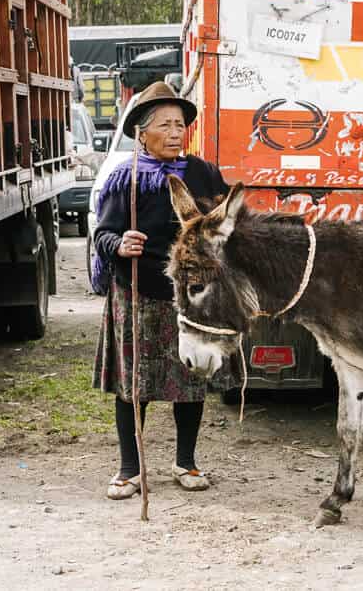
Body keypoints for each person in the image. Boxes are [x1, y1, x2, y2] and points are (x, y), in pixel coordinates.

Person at [93, 81, 240, 500]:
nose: (177, 132)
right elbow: (102, 234)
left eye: (181, 124)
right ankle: (129, 468)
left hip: (189, 298)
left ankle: (186, 460)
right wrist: (119, 244)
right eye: (166, 125)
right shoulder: (126, 178)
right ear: (143, 133)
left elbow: (223, 221)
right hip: (138, 293)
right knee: (133, 386)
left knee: (190, 380)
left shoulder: (202, 173)